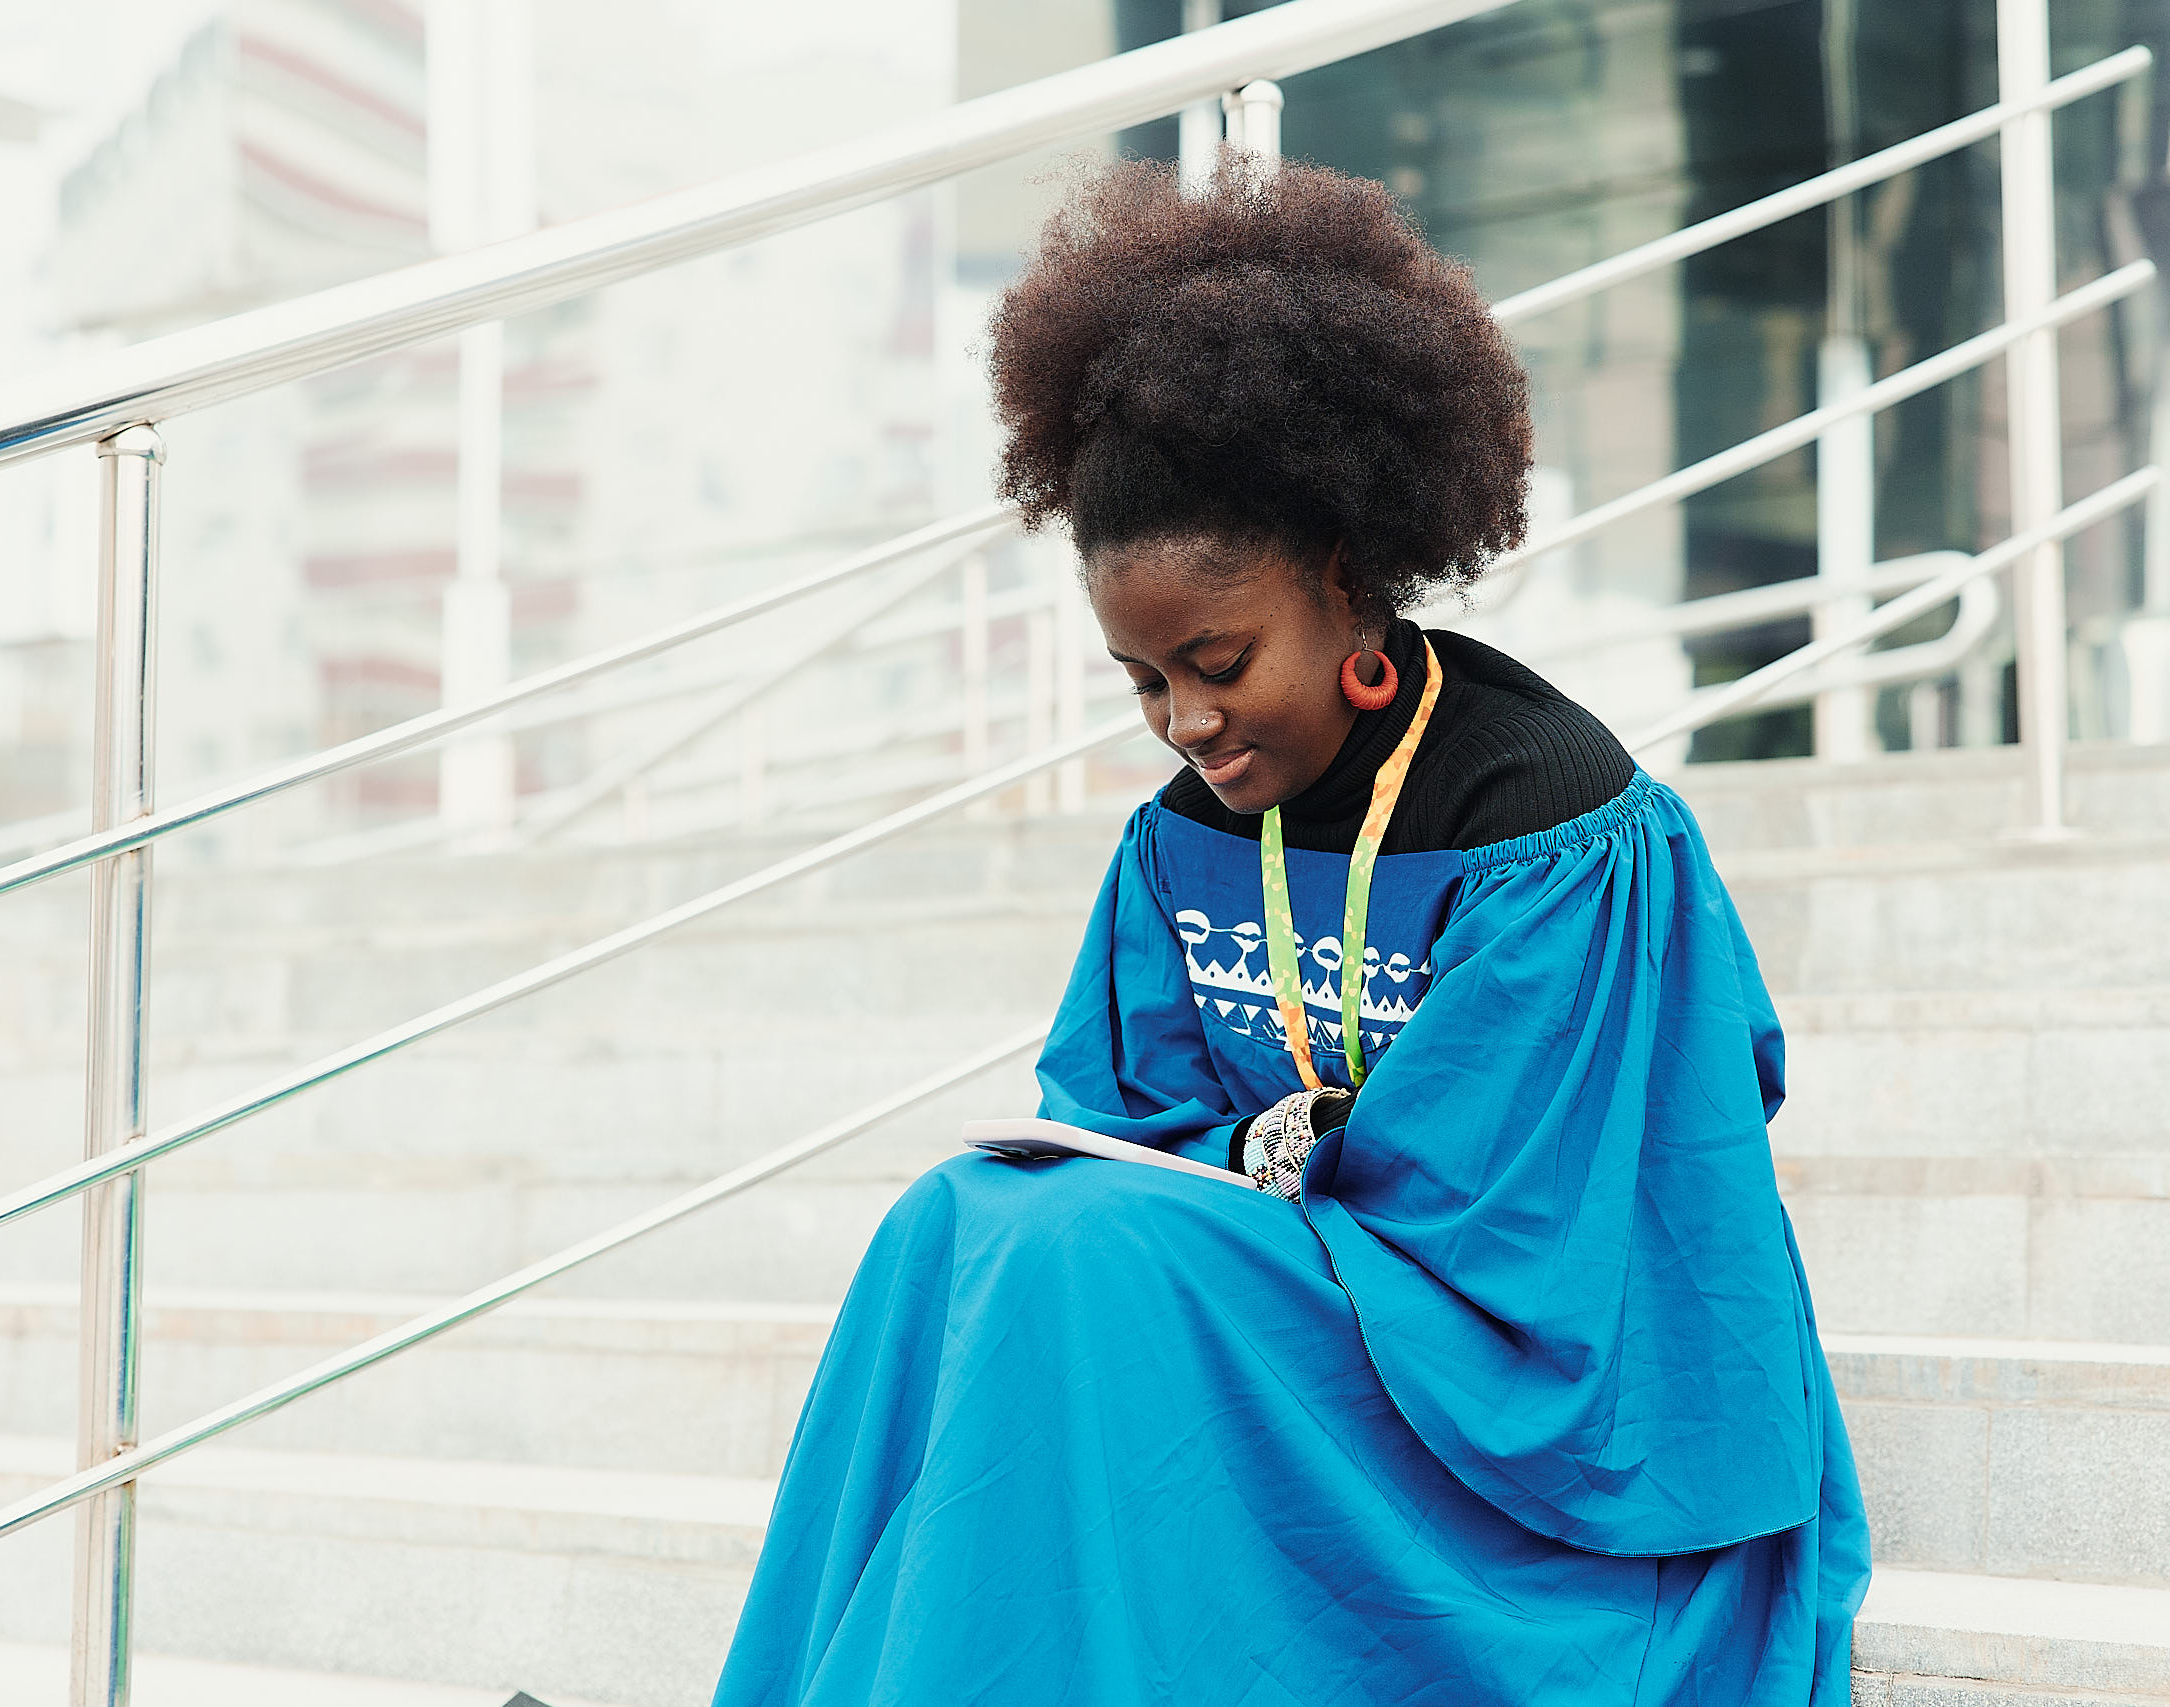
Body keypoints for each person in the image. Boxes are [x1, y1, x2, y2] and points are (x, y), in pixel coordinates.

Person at [709, 157, 1869, 1707]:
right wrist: (1250, 1158)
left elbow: (1522, 1218)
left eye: (1220, 660)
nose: (1186, 721)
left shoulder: (1551, 822)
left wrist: (1265, 1161)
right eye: (1144, 681)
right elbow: (1113, 1123)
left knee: (1084, 1259)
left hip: (1523, 1395)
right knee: (956, 1218)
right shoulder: (1183, 840)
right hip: (1304, 1300)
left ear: (1344, 584)